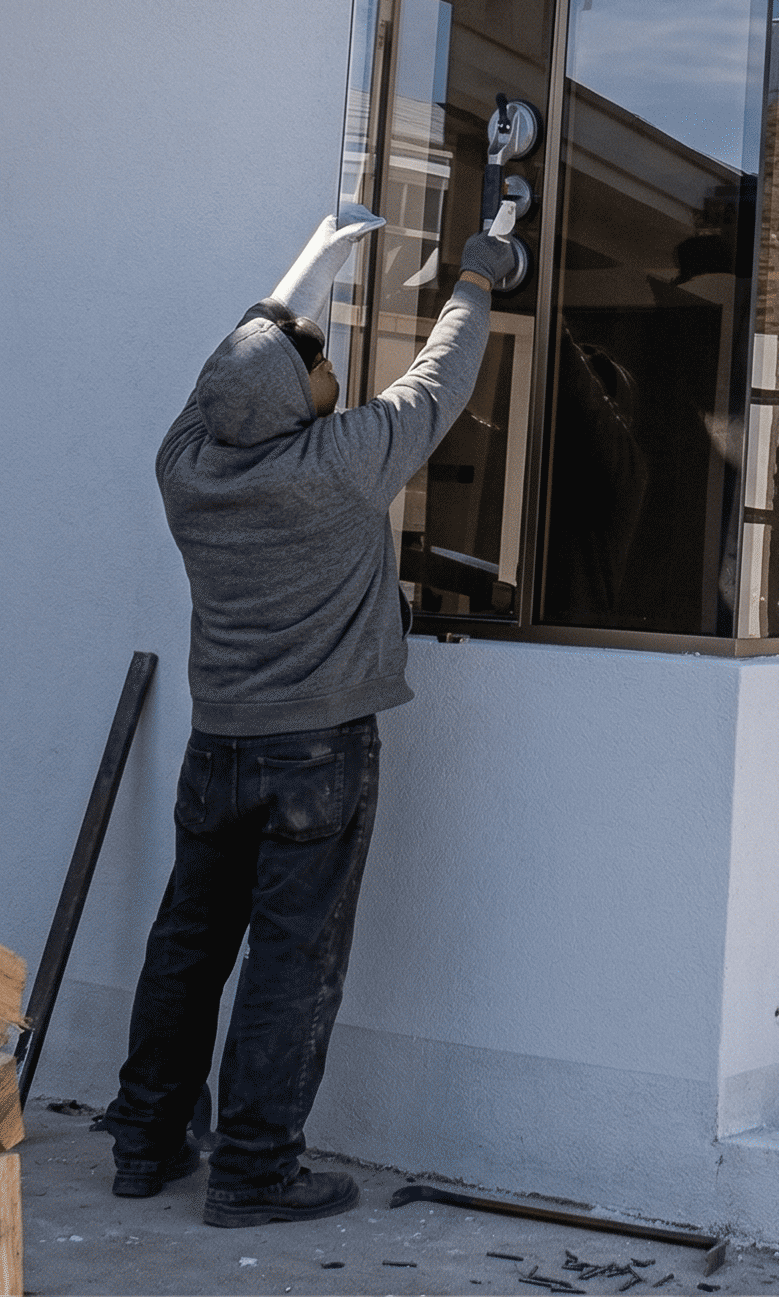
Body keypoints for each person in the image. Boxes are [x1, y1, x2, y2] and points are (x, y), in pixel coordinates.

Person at [100, 202, 519, 1228]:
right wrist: (477, 274)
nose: (335, 371)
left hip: (221, 746)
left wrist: (314, 253)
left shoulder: (186, 464)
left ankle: (145, 1143)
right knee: (292, 959)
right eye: (319, 363)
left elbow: (227, 367)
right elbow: (439, 380)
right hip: (316, 756)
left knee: (187, 943)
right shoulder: (340, 465)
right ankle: (252, 1173)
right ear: (295, 400)